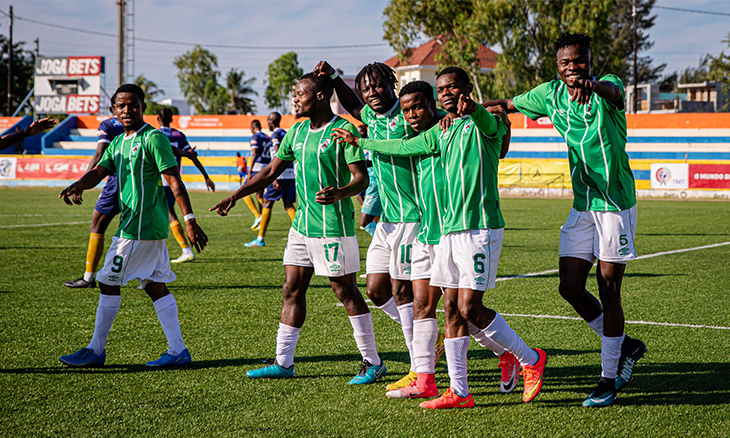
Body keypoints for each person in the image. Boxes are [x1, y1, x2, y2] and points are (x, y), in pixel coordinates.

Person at [333, 68, 547, 409]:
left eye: (452, 88)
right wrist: (360, 141)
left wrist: (475, 109)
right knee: (443, 308)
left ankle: (525, 357)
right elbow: (401, 145)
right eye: (442, 88)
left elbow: (493, 129)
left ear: (462, 91)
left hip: (478, 227)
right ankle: (452, 387)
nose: (447, 93)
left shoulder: (483, 124)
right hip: (442, 232)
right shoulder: (439, 134)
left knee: (466, 308)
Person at [483, 31, 646, 408]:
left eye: (579, 61)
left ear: (591, 60)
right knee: (569, 287)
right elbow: (507, 103)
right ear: (557, 67)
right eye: (566, 63)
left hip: (614, 205)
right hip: (582, 204)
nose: (573, 68)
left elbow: (614, 92)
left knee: (609, 288)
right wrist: (461, 109)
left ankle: (608, 378)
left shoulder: (608, 88)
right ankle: (626, 346)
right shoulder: (549, 94)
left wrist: (594, 85)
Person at [210, 73, 385, 384]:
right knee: (291, 289)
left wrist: (340, 192)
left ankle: (373, 362)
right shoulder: (297, 132)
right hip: (302, 226)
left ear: (319, 97)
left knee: (345, 291)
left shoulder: (343, 130)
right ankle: (283, 361)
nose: (294, 100)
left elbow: (361, 178)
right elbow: (271, 171)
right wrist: (237, 195)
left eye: (299, 94)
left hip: (334, 226)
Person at [58, 83, 207, 368]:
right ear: (114, 110)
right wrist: (79, 183)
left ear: (143, 106)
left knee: (105, 280)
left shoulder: (153, 139)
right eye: (121, 105)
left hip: (139, 226)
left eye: (133, 104)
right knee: (154, 286)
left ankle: (96, 350)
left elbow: (174, 181)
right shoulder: (118, 142)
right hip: (144, 226)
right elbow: (100, 171)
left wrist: (189, 219)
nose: (127, 110)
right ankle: (178, 351)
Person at [314, 60, 439, 392]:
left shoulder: (411, 113)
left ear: (392, 84)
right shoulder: (368, 115)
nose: (373, 93)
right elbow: (354, 104)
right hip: (388, 218)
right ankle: (430, 343)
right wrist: (333, 77)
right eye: (366, 88)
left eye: (379, 85)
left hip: (415, 216)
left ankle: (419, 366)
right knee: (375, 289)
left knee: (401, 291)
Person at [63, 113, 126, 288]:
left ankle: (89, 277)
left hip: (116, 182)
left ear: (112, 107)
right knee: (138, 229)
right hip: (140, 183)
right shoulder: (144, 129)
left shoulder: (108, 124)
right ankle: (147, 277)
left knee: (97, 224)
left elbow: (100, 154)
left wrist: (81, 183)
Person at [156, 107, 215, 263]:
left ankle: (185, 249)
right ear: (172, 118)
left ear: (157, 118)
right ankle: (175, 251)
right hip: (175, 180)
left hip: (161, 180)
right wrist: (206, 176)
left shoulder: (155, 135)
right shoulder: (179, 135)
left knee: (167, 214)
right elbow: (192, 156)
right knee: (166, 214)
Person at [244, 111, 297, 248]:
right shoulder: (287, 133)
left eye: (268, 120)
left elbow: (278, 153)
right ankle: (302, 234)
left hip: (280, 173)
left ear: (271, 121)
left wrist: (275, 176)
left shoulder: (275, 135)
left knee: (267, 203)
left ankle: (260, 238)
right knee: (289, 205)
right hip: (290, 173)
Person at [242, 119, 272, 231]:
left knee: (244, 191)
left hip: (257, 167)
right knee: (260, 195)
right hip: (267, 166)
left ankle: (258, 216)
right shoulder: (267, 137)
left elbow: (254, 153)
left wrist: (249, 170)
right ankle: (261, 220)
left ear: (253, 127)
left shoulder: (255, 137)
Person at [357, 124, 381, 236]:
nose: (360, 133)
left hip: (375, 181)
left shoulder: (371, 140)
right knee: (377, 218)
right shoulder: (360, 144)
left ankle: (382, 242)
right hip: (367, 179)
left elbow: (373, 161)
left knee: (365, 222)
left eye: (362, 131)